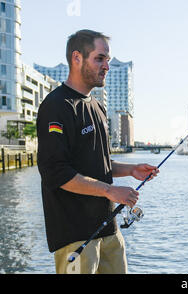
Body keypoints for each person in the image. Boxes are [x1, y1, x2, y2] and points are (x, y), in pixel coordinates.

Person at [37, 29, 159, 274]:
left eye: (108, 60)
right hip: (75, 236)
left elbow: (99, 162)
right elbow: (56, 172)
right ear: (77, 58)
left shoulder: (98, 107)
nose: (106, 66)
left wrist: (131, 170)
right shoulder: (56, 106)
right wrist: (110, 190)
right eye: (100, 58)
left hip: (108, 230)